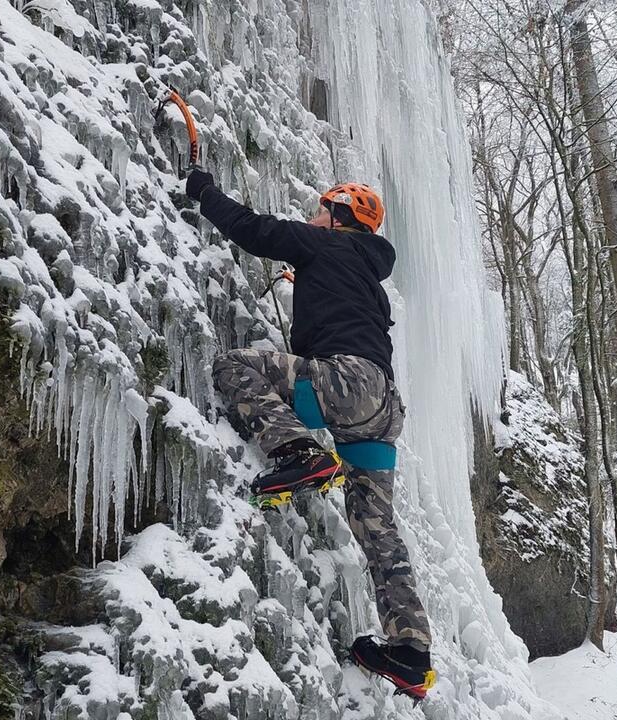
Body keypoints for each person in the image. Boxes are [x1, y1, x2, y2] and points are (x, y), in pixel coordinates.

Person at [185, 169, 436, 700]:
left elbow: (255, 229)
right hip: (383, 405)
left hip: (344, 381)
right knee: (377, 527)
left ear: (341, 216)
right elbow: (340, 307)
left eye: (323, 208)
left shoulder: (322, 242)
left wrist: (204, 191)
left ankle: (299, 450)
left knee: (234, 366)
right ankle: (411, 651)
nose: (314, 215)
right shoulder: (368, 274)